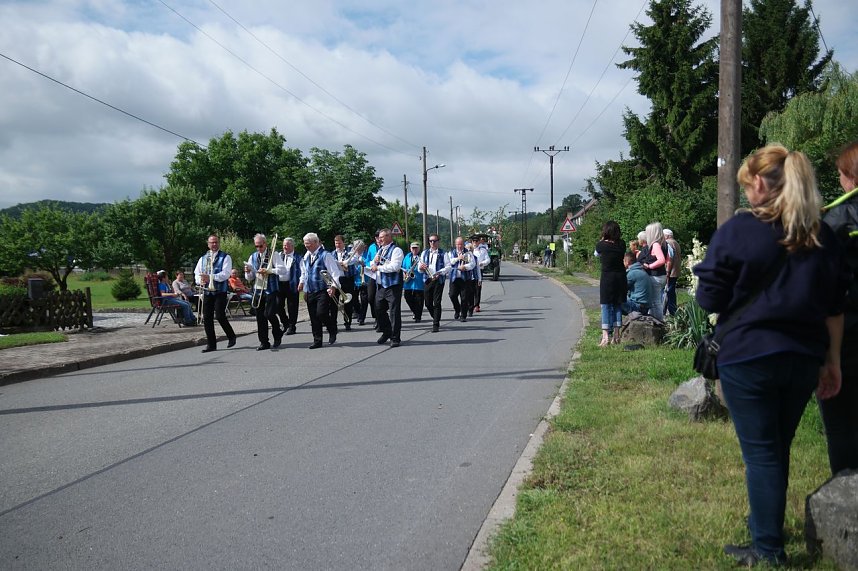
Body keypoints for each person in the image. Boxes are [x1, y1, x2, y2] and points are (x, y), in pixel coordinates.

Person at [694, 144, 845, 567]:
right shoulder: (823, 235)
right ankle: (764, 524)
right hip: (804, 357)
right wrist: (832, 361)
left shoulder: (740, 232)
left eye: (747, 186)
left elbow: (708, 298)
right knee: (780, 447)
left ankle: (768, 550)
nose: (746, 195)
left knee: (761, 453)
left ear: (760, 182)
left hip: (748, 355)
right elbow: (835, 307)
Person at [820, 140, 858, 475]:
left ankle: (845, 497)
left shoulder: (834, 219)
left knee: (841, 424)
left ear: (849, 176)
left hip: (846, 333)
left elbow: (824, 287)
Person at [298, 232, 342, 349]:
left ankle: (332, 329)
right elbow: (304, 272)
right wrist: (303, 285)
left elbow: (335, 272)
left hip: (323, 289)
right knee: (313, 317)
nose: (306, 246)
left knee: (321, 313)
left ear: (316, 243)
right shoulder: (306, 256)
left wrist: (333, 287)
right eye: (305, 244)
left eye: (308, 244)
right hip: (311, 290)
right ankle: (317, 340)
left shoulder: (326, 255)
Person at [194, 234, 237, 352]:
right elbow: (197, 273)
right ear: (208, 244)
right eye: (211, 243)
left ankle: (231, 336)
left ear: (218, 243)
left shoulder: (226, 257)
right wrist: (200, 280)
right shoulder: (202, 258)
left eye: (216, 242)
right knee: (207, 317)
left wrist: (210, 277)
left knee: (220, 315)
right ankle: (211, 344)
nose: (214, 245)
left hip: (220, 291)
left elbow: (226, 274)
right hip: (207, 291)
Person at [244, 233, 285, 351]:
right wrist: (247, 271)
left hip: (271, 289)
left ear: (265, 244)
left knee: (269, 314)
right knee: (260, 317)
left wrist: (269, 270)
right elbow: (250, 278)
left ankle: (277, 333)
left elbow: (283, 270)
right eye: (256, 246)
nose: (258, 249)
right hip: (258, 289)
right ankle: (264, 342)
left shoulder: (274, 254)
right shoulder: (253, 257)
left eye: (260, 246)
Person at [370, 228, 404, 347]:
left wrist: (378, 267)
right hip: (381, 285)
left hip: (393, 285)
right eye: (379, 237)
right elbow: (372, 263)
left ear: (389, 237)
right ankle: (387, 331)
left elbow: (395, 267)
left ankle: (395, 338)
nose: (380, 239)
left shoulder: (397, 250)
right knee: (378, 310)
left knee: (394, 312)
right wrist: (374, 263)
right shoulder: (380, 250)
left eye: (382, 237)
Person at [595, 221, 626, 346]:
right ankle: (617, 335)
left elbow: (596, 254)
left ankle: (605, 337)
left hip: (607, 278)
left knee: (606, 305)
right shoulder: (622, 244)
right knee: (617, 305)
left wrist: (603, 239)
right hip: (620, 277)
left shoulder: (601, 245)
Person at [419, 233, 450, 333]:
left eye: (434, 241)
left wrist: (440, 273)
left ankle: (435, 324)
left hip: (438, 279)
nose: (432, 243)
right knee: (428, 303)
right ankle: (435, 316)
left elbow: (448, 267)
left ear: (438, 242)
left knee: (437, 302)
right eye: (430, 241)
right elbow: (420, 267)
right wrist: (421, 267)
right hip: (427, 279)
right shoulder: (424, 253)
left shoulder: (443, 253)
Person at [640, 222, 667, 322]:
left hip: (655, 276)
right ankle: (654, 320)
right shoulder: (663, 244)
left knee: (655, 301)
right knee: (655, 301)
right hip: (661, 275)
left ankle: (659, 322)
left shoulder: (655, 245)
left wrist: (649, 266)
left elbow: (661, 260)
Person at [276, 237, 302, 336]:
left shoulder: (298, 257)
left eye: (286, 245)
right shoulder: (279, 255)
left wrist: (301, 283)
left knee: (292, 307)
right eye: (283, 245)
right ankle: (285, 323)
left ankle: (292, 326)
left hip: (292, 284)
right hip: (280, 284)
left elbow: (302, 271)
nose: (284, 247)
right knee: (278, 305)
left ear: (292, 246)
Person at [448, 236, 476, 322]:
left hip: (465, 279)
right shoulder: (451, 253)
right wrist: (457, 259)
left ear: (463, 244)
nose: (459, 246)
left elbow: (472, 264)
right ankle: (457, 309)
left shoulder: (468, 253)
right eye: (458, 244)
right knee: (452, 295)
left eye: (461, 244)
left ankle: (463, 315)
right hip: (454, 278)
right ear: (455, 244)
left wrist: (465, 267)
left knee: (464, 298)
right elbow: (449, 262)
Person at [333, 235, 356, 330]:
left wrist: (344, 262)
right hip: (336, 280)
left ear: (343, 243)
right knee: (333, 302)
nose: (337, 245)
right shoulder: (332, 253)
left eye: (339, 243)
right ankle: (333, 323)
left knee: (348, 302)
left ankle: (347, 323)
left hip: (347, 280)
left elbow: (354, 260)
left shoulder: (350, 252)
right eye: (336, 243)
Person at [621, 251, 653, 315]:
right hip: (645, 306)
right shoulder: (641, 270)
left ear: (627, 262)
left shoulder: (632, 273)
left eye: (623, 261)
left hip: (638, 307)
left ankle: (615, 323)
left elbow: (621, 288)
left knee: (614, 297)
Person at [402, 242, 425, 322]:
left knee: (419, 300)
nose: (414, 249)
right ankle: (415, 312)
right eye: (413, 248)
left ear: (419, 248)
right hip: (408, 281)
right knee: (407, 297)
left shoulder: (422, 257)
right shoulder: (407, 257)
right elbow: (403, 267)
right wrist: (405, 274)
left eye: (416, 248)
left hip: (419, 281)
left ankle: (418, 316)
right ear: (410, 249)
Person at [351, 239, 370, 326]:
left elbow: (369, 263)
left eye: (360, 247)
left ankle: (362, 318)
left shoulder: (366, 255)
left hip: (364, 281)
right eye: (356, 247)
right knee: (354, 300)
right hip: (354, 281)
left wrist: (364, 264)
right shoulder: (351, 255)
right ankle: (358, 313)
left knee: (364, 300)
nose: (358, 249)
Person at [663, 229, 681, 316]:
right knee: (671, 291)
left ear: (666, 236)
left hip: (670, 271)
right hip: (676, 270)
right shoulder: (676, 242)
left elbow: (669, 258)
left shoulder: (668, 243)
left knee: (668, 291)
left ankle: (670, 311)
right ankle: (671, 310)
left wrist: (667, 271)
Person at [473, 236, 490, 313]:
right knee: (468, 289)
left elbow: (488, 259)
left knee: (477, 289)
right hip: (469, 271)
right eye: (473, 241)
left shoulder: (483, 250)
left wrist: (482, 263)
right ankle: (469, 304)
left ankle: (476, 305)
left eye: (476, 241)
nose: (475, 242)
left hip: (479, 270)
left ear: (479, 242)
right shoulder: (469, 250)